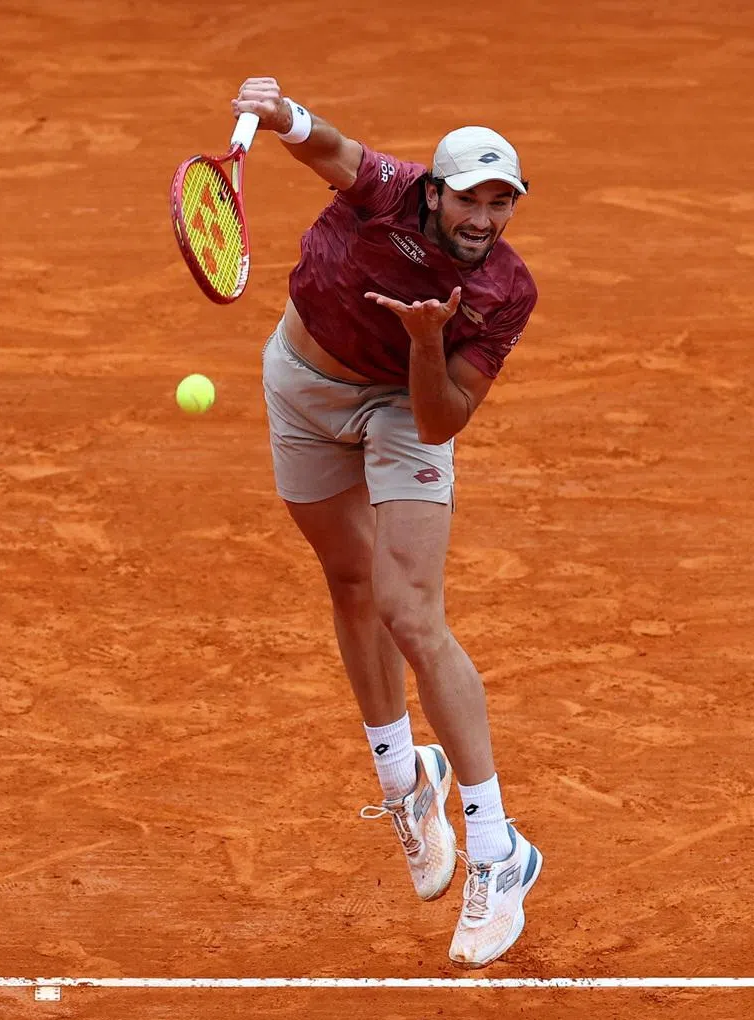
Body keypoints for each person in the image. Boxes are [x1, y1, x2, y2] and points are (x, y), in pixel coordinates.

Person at [230, 77, 542, 968]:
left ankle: (497, 849)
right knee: (349, 581)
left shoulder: (504, 292)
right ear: (434, 193)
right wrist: (281, 114)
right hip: (301, 388)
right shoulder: (390, 190)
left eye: (502, 203)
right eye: (470, 199)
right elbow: (331, 150)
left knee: (410, 611)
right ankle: (406, 781)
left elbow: (442, 422)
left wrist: (426, 340)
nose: (484, 219)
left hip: (407, 406)